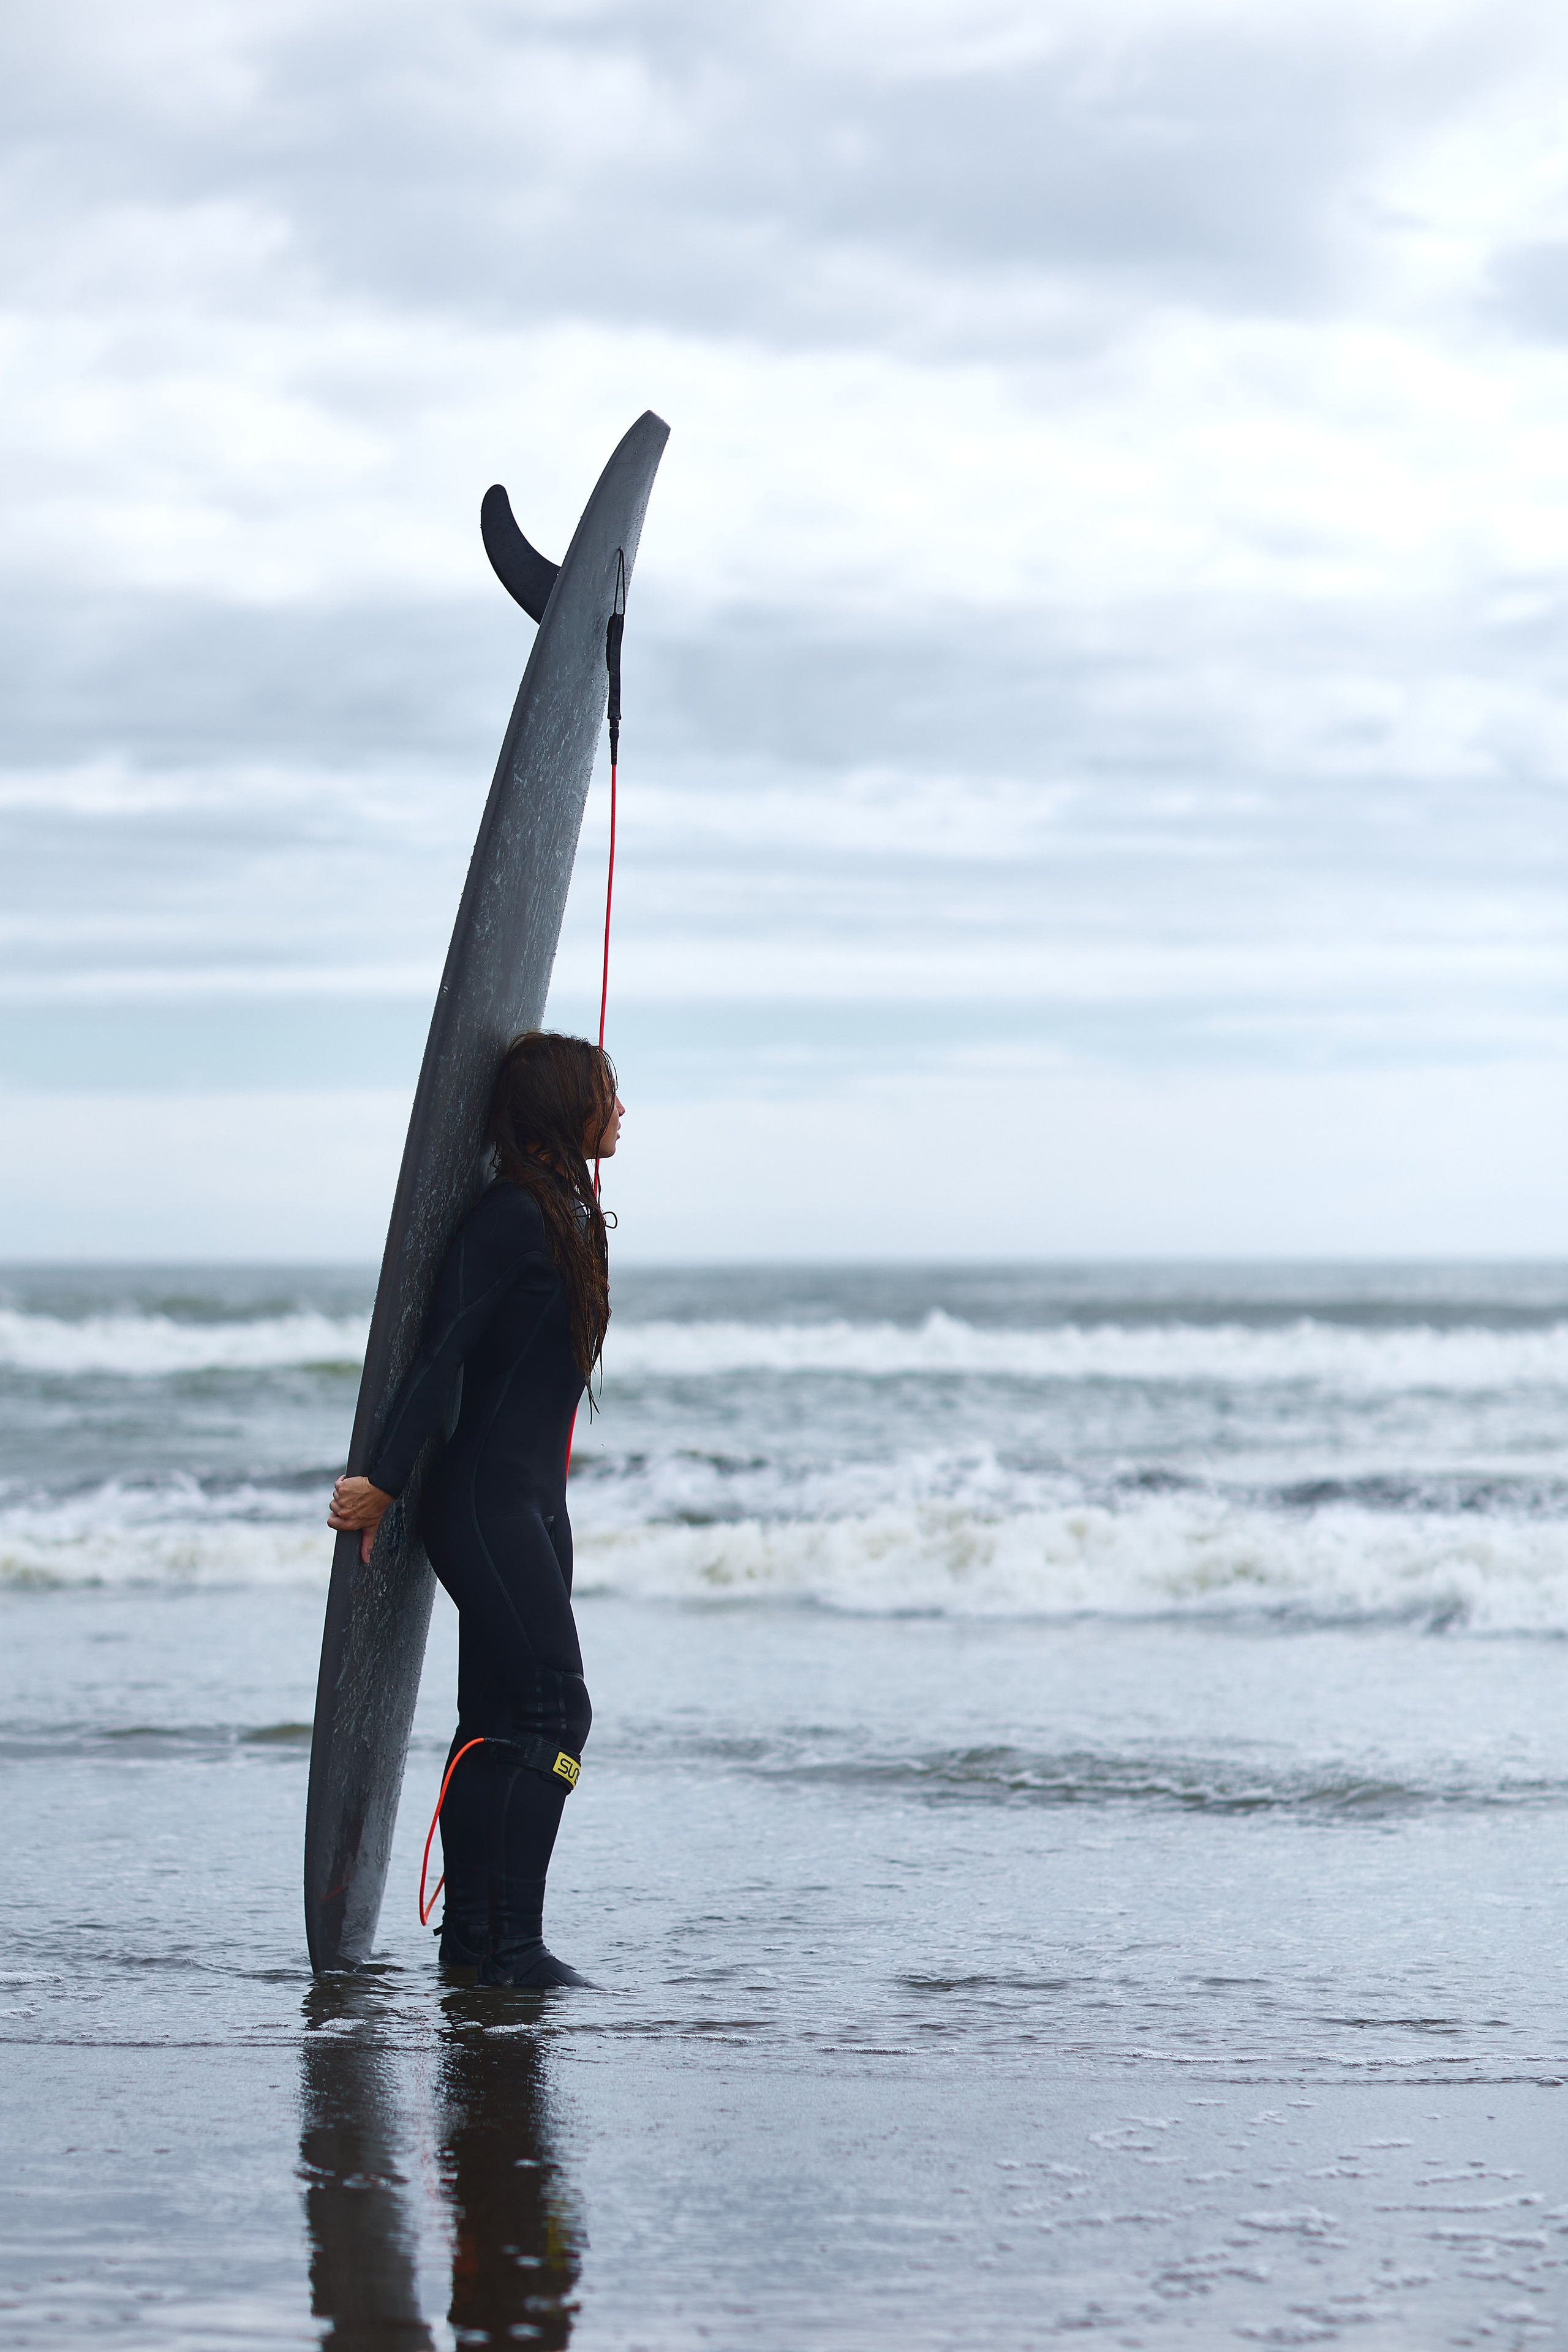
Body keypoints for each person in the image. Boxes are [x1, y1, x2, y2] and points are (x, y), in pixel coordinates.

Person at [328, 1030, 623, 1988]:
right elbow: (441, 1348)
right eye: (605, 1094)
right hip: (487, 1502)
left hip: (536, 1507)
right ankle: (511, 1945)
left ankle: (477, 1946)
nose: (620, 1111)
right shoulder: (509, 1216)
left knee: (500, 1715)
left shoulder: (567, 1212)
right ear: (561, 1111)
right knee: (556, 1714)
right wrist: (383, 1478)